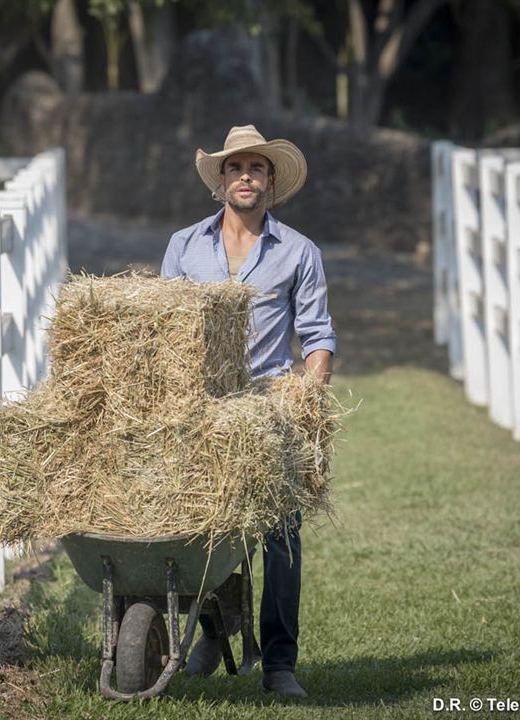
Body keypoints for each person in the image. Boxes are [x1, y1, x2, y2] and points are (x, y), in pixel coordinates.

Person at [160, 125, 336, 698]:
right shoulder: (184, 247)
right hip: (200, 408)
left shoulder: (299, 252)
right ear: (220, 180)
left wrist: (308, 408)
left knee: (282, 534)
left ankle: (280, 664)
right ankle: (214, 626)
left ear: (271, 181)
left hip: (269, 407)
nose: (245, 177)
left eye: (256, 169)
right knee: (195, 528)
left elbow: (316, 338)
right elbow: (164, 331)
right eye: (235, 168)